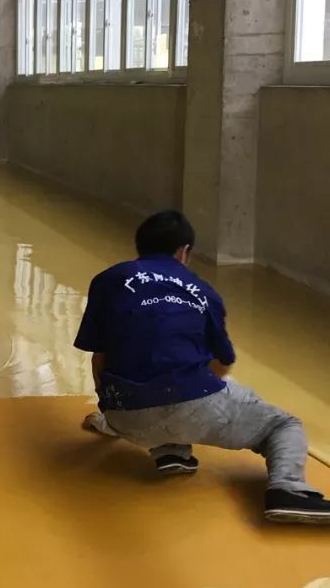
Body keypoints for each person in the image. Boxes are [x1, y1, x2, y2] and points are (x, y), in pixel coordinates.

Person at [76, 210, 330, 524]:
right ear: (184, 251)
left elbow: (99, 358)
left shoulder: (109, 280)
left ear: (140, 246)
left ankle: (172, 452)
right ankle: (289, 490)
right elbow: (223, 363)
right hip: (193, 408)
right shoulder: (203, 291)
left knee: (160, 376)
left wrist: (111, 413)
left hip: (123, 417)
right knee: (283, 424)